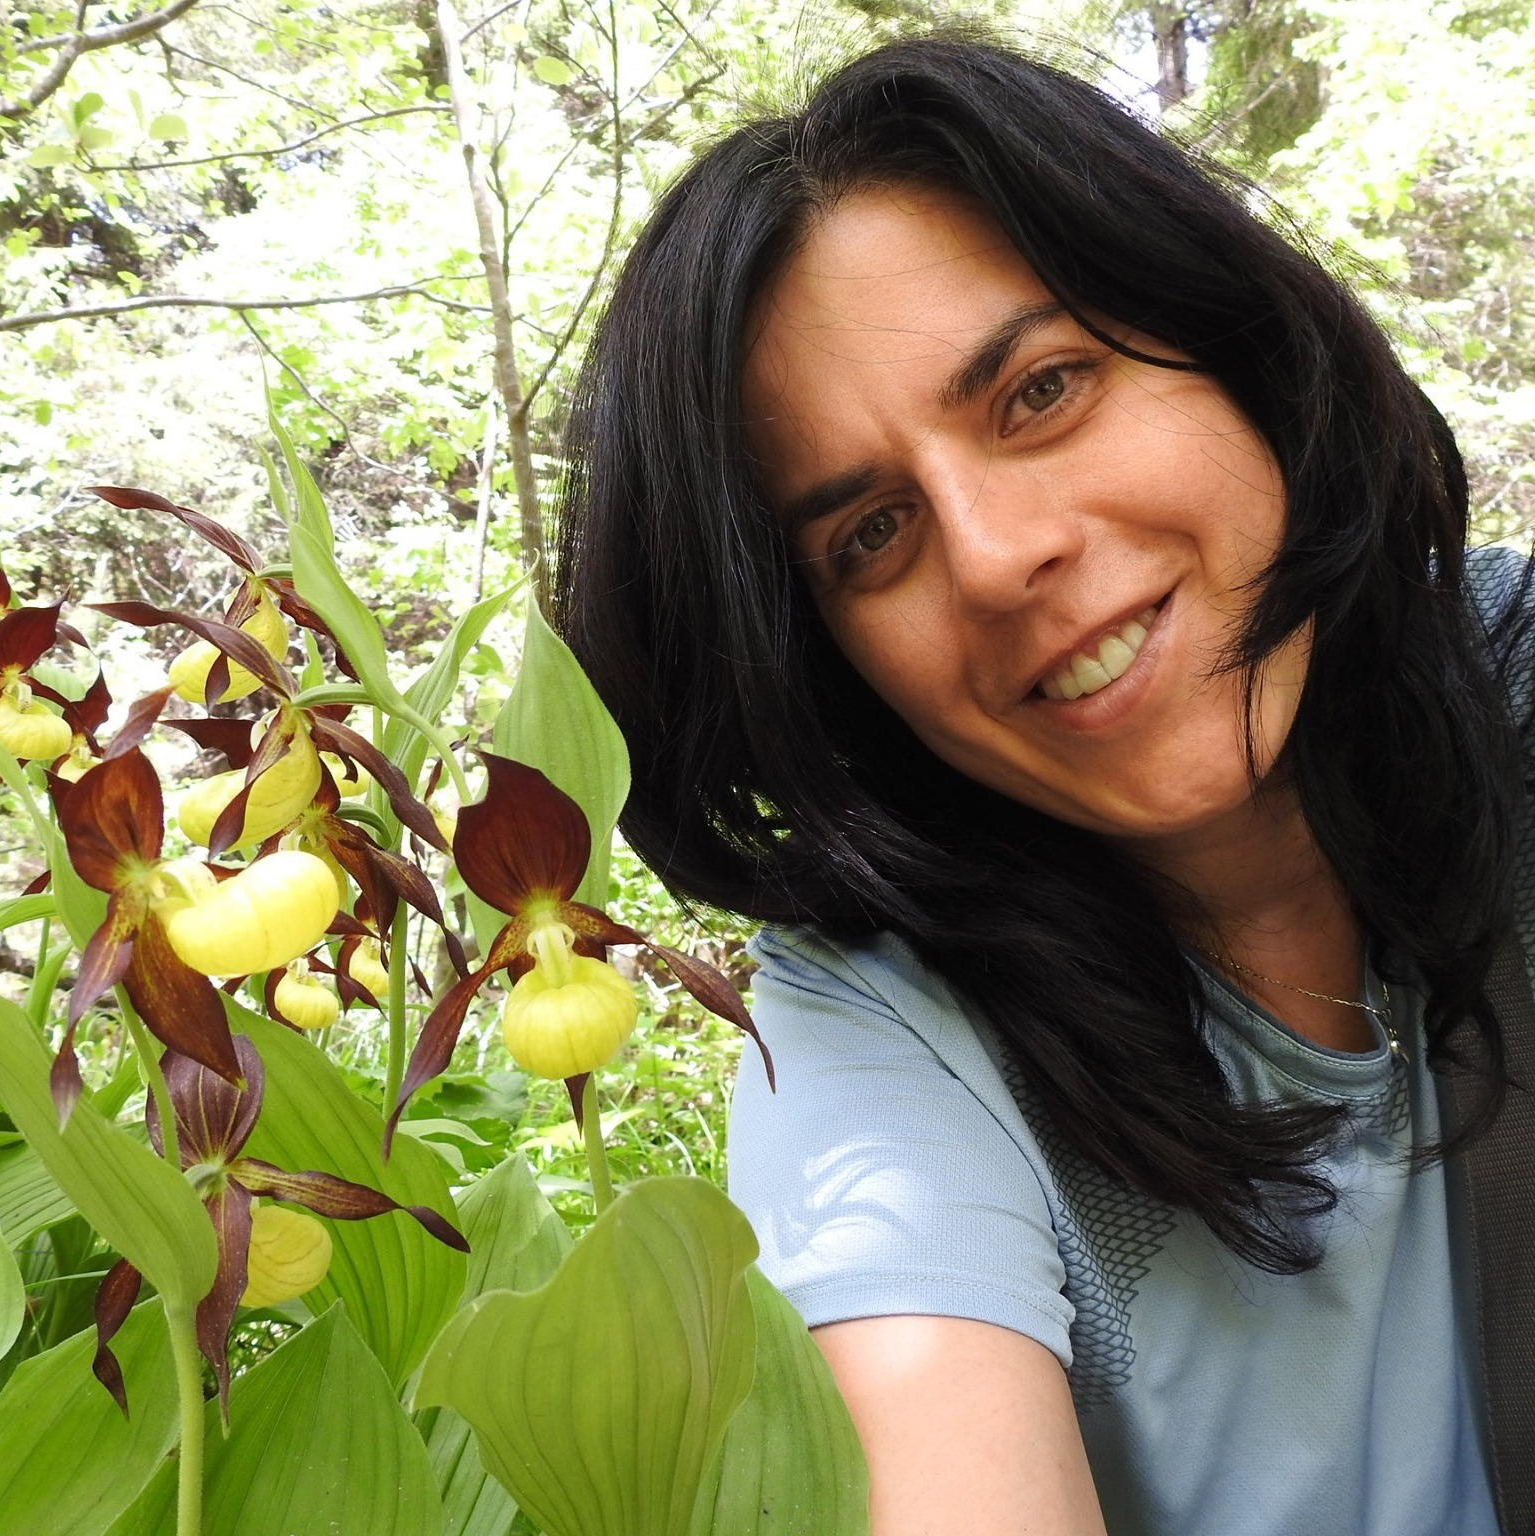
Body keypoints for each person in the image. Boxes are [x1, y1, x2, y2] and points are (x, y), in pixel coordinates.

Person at [552, 29, 1531, 1536]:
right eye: (869, 536)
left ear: (1233, 349)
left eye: (1041, 390)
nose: (998, 558)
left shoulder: (1506, 676)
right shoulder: (883, 1034)